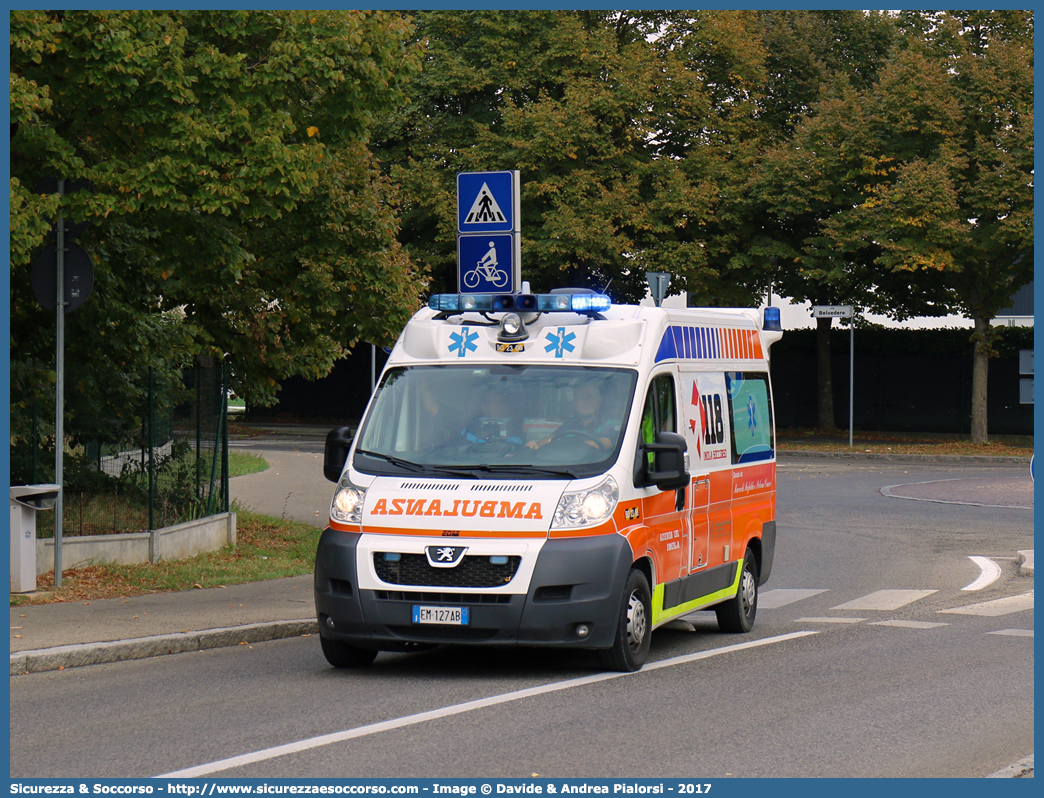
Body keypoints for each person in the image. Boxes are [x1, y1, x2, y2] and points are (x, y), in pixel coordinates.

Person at [527, 380, 616, 450]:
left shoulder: (610, 423)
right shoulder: (570, 424)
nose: (585, 402)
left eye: (590, 397)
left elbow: (607, 442)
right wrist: (535, 445)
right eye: (580, 397)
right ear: (574, 403)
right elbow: (550, 439)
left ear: (600, 401)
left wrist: (576, 446)